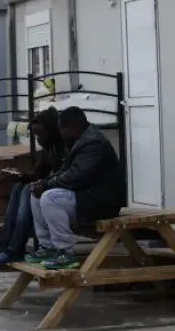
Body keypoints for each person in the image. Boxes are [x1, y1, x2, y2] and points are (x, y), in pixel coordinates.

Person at [25, 106, 126, 270]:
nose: (60, 133)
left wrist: (46, 185)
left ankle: (65, 251)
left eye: (62, 129)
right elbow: (64, 172)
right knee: (36, 194)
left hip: (102, 203)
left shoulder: (93, 143)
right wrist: (42, 184)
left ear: (73, 127)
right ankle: (47, 247)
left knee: (49, 198)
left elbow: (77, 176)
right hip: (87, 196)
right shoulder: (78, 140)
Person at [0, 107, 65, 265]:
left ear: (51, 131)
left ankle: (15, 247)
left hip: (59, 191)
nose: (37, 139)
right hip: (50, 187)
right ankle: (4, 244)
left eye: (39, 134)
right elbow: (38, 174)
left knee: (26, 191)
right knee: (19, 187)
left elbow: (64, 176)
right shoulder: (48, 149)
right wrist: (21, 176)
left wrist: (36, 182)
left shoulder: (63, 148)